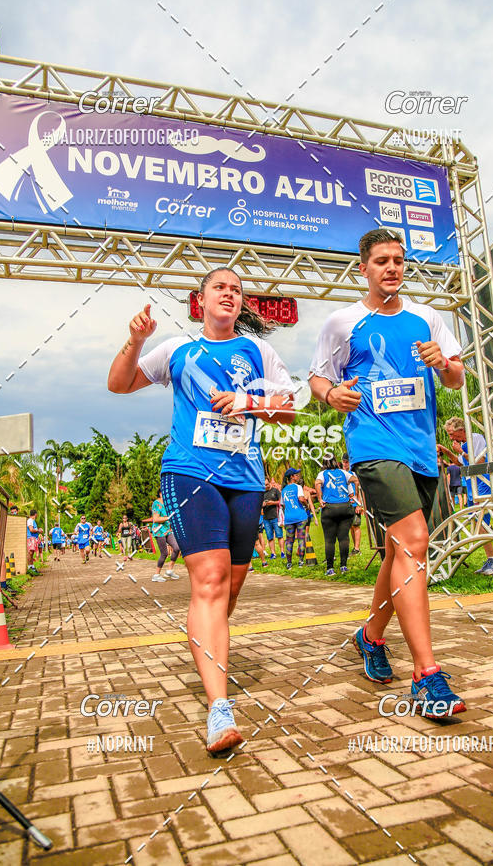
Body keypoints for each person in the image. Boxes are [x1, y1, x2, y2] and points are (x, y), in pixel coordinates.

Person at [108, 267, 295, 752]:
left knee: (227, 590)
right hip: (190, 472)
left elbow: (290, 407)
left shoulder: (259, 352)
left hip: (247, 479)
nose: (229, 294)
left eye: (236, 289)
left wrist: (247, 399)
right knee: (209, 581)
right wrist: (133, 340)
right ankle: (219, 709)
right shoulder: (177, 351)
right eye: (220, 288)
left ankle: (203, 637)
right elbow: (118, 384)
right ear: (201, 300)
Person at [309, 227, 467, 718]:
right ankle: (427, 676)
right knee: (415, 540)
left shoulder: (427, 317)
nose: (392, 268)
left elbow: (457, 377)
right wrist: (332, 395)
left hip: (421, 448)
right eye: (382, 261)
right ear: (364, 268)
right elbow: (317, 378)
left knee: (401, 550)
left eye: (398, 260)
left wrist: (444, 363)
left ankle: (371, 637)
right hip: (373, 445)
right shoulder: (344, 322)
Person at [439, 417, 493, 576]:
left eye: (452, 434)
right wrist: (447, 451)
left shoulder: (476, 438)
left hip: (482, 484)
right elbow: (460, 463)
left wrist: (462, 452)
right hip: (472, 485)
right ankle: (491, 558)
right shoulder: (465, 444)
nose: (452, 438)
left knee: (481, 522)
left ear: (461, 429)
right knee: (478, 522)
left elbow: (480, 461)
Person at [315, 452, 356, 576]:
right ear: (335, 461)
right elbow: (356, 479)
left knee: (330, 540)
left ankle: (330, 568)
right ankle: (343, 566)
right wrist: (354, 496)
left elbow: (317, 483)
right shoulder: (343, 472)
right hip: (345, 507)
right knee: (344, 538)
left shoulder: (322, 474)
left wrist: (320, 499)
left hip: (330, 508)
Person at [144, 489, 181, 582]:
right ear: (160, 494)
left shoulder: (168, 504)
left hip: (168, 531)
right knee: (164, 553)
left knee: (177, 548)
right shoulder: (156, 504)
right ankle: (156, 575)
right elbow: (155, 519)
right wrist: (167, 518)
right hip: (159, 531)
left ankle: (169, 570)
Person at [281, 468, 310, 569]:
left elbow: (282, 504)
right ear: (292, 477)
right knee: (301, 539)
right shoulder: (297, 487)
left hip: (288, 518)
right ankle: (301, 562)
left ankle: (289, 563)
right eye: (296, 475)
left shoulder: (283, 490)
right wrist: (307, 505)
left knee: (289, 540)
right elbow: (301, 499)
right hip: (300, 517)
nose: (298, 476)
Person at [342, 454, 362, 555]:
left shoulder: (354, 473)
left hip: (355, 504)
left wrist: (359, 504)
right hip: (346, 504)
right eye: (344, 462)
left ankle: (357, 548)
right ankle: (355, 548)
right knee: (351, 527)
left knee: (356, 525)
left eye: (347, 462)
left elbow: (360, 489)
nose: (346, 464)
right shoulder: (340, 474)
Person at [262, 477, 285, 559]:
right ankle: (273, 553)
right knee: (270, 537)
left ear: (270, 483)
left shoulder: (275, 491)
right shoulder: (262, 493)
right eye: (264, 485)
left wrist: (272, 503)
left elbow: (281, 501)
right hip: (266, 518)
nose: (266, 486)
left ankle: (282, 552)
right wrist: (262, 504)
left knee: (279, 535)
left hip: (276, 517)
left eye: (267, 484)